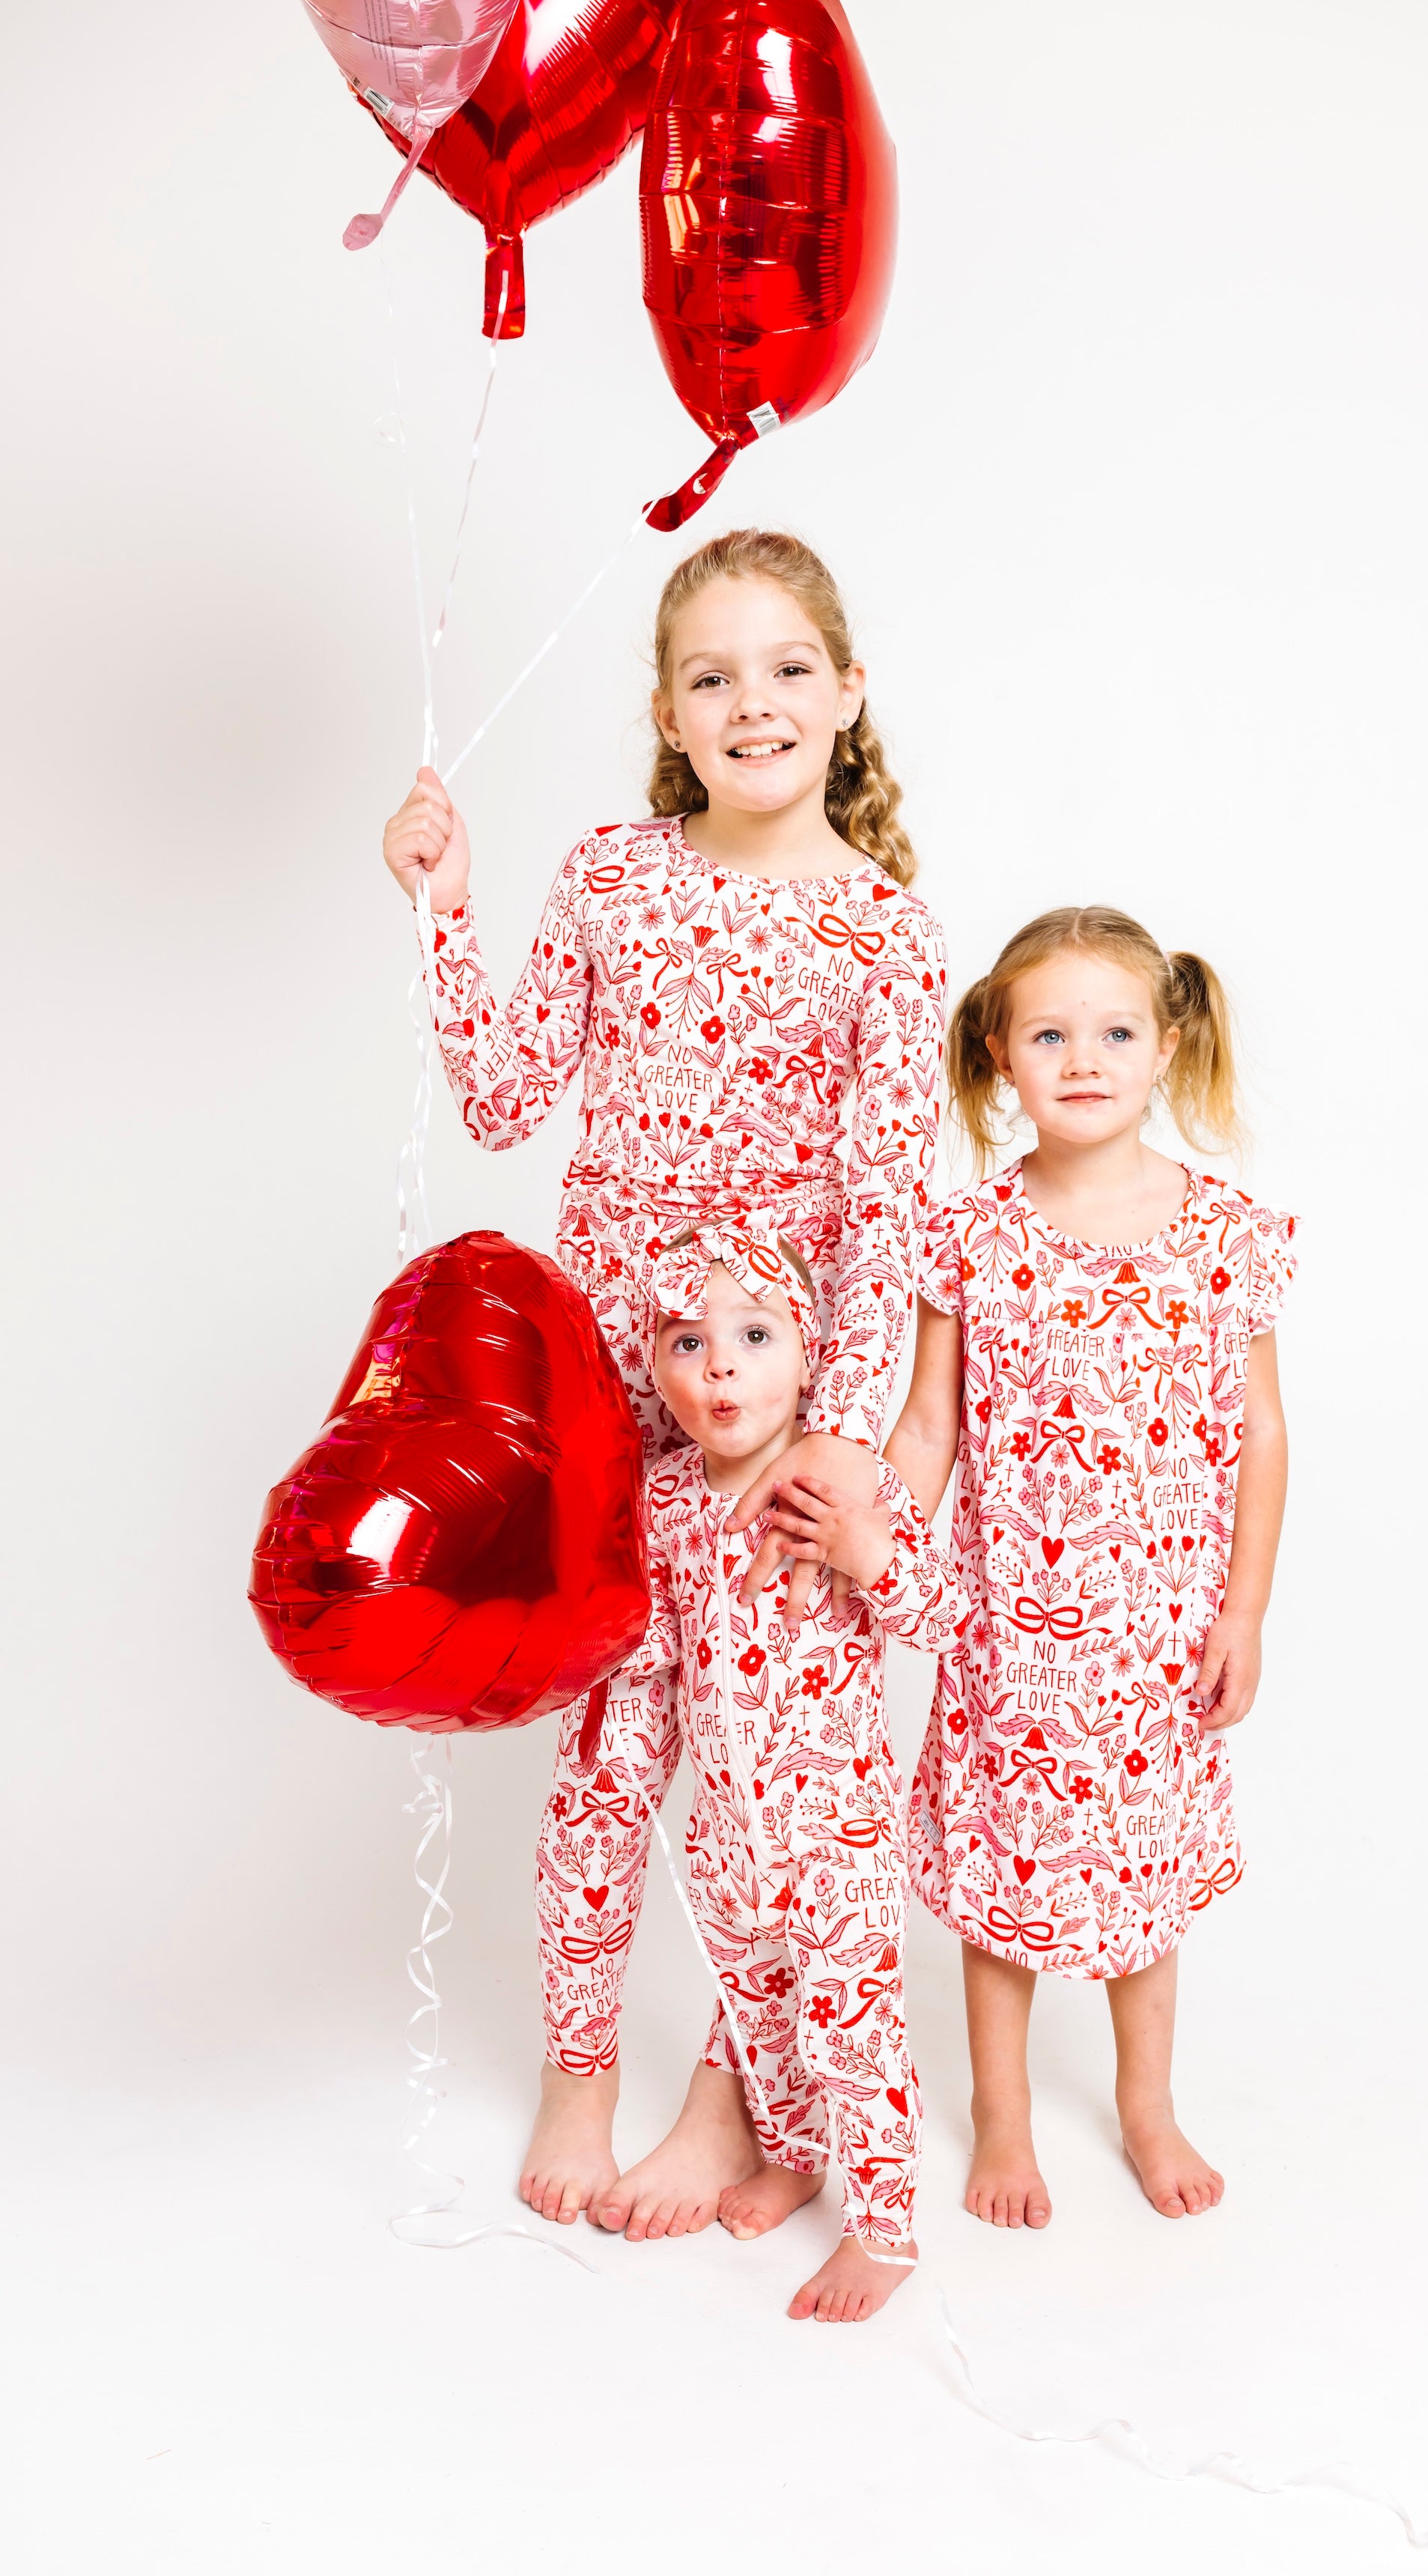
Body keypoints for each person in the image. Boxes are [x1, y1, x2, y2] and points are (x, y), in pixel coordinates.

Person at [380, 531, 947, 2232]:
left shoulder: (885, 933)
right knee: (615, 1762)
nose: (750, 702)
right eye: (712, 675)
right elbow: (503, 1099)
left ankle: (725, 2107)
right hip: (623, 1406)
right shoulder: (613, 877)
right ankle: (578, 2074)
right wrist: (444, 906)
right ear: (666, 712)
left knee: (772, 1781)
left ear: (847, 695)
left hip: (777, 1425)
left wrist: (841, 1445)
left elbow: (887, 1210)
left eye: (787, 668)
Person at [884, 907, 1295, 2230]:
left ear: (1164, 1045)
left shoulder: (1226, 1234)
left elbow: (1260, 1431)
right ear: (999, 1056)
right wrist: (874, 1554)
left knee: (1144, 1889)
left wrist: (1242, 1612)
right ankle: (1002, 2120)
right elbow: (929, 1427)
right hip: (1009, 1640)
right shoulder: (971, 1234)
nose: (1082, 1060)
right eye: (1048, 1035)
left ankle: (1146, 2107)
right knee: (1000, 1889)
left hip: (1157, 1642)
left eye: (1114, 1033)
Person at [598, 1221, 964, 2321]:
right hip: (726, 1837)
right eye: (688, 1341)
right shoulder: (665, 1501)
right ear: (656, 1368)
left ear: (811, 1361)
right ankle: (795, 2158)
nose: (720, 1366)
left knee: (851, 2027)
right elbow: (656, 1651)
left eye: (754, 1336)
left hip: (836, 1834)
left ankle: (884, 2229)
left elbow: (942, 1617)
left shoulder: (844, 1485)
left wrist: (866, 1555)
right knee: (758, 2014)